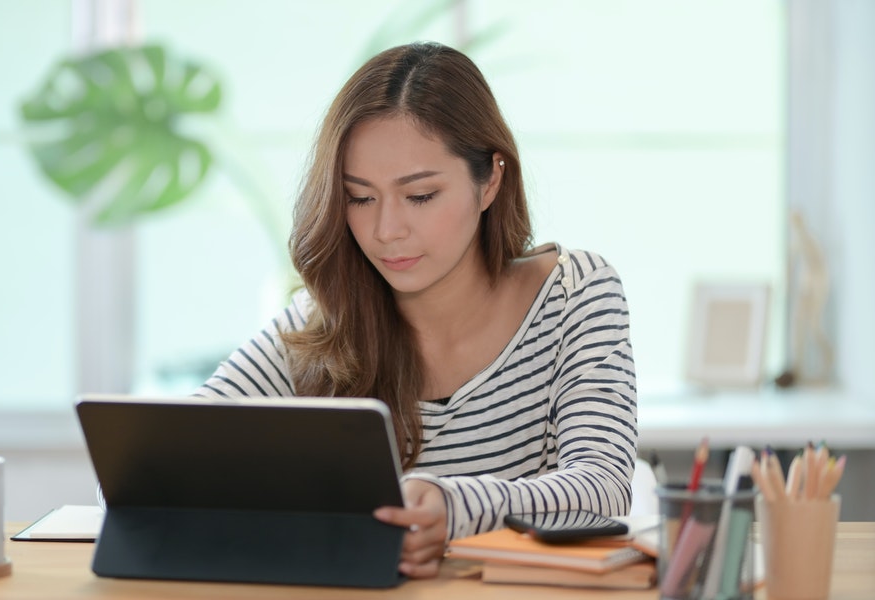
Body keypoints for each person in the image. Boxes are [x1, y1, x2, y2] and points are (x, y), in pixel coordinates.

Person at [196, 41, 637, 579]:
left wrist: (451, 507)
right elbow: (165, 461)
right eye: (360, 198)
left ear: (490, 180)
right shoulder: (325, 320)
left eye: (421, 195)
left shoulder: (576, 294)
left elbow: (604, 488)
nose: (386, 231)